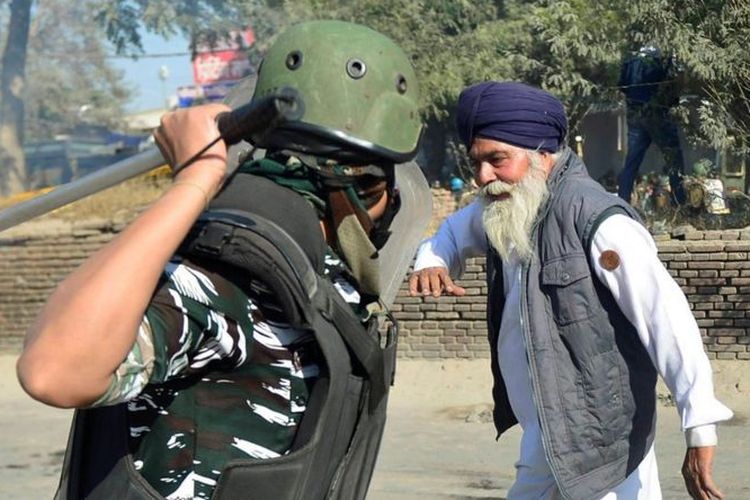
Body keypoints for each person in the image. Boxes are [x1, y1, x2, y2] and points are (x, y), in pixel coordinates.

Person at [17, 20, 424, 499]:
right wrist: (194, 180)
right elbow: (53, 372)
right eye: (383, 191)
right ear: (364, 188)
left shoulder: (315, 281)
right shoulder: (224, 280)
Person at [409, 81, 732, 499]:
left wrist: (699, 425)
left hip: (602, 445)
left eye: (497, 160)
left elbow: (665, 318)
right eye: (477, 163)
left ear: (542, 153)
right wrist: (433, 260)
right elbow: (453, 230)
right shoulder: (508, 205)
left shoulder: (595, 217)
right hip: (546, 439)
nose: (483, 177)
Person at [618, 45, 687, 205]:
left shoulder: (631, 60)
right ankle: (679, 205)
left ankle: (621, 202)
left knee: (631, 163)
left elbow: (622, 86)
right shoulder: (663, 57)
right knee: (674, 159)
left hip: (635, 116)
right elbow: (675, 83)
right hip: (659, 115)